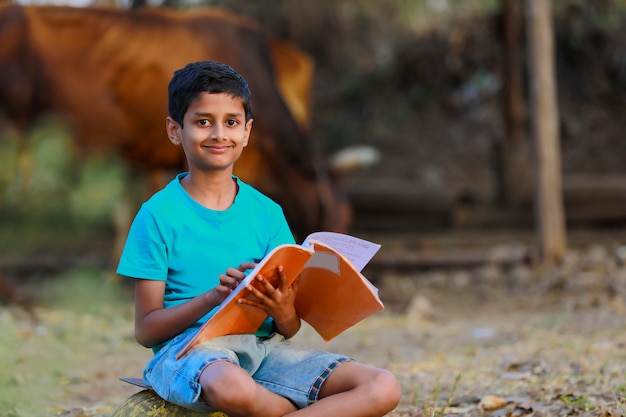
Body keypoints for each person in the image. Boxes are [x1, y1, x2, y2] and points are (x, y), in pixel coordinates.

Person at [116, 60, 401, 417]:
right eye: (203, 122)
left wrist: (282, 310)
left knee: (382, 385)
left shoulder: (267, 213)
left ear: (247, 132)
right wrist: (214, 298)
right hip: (192, 353)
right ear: (175, 130)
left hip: (267, 353)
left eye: (231, 122)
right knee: (231, 386)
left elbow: (290, 328)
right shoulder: (156, 215)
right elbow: (147, 330)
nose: (219, 133)